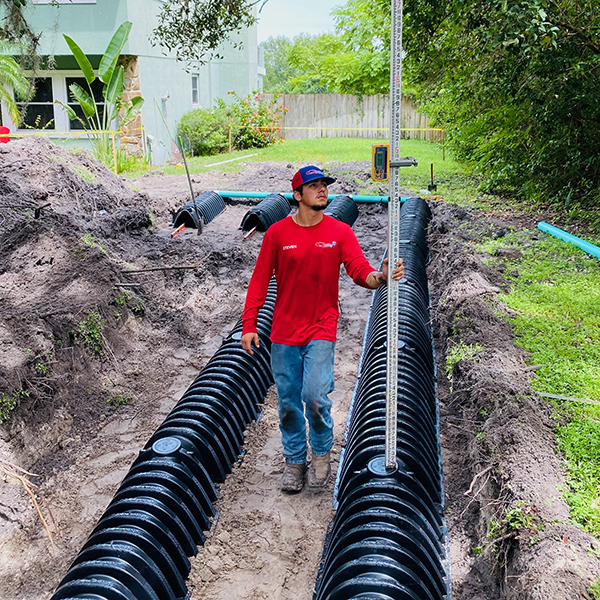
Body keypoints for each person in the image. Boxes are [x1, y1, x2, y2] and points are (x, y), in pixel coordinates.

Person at [241, 165, 404, 493]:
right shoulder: (277, 234)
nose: (322, 191)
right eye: (313, 186)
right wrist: (250, 324)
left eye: (324, 186)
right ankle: (294, 461)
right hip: (284, 331)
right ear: (297, 195)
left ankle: (320, 451)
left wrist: (381, 276)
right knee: (288, 403)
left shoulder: (339, 232)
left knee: (315, 396)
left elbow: (360, 272)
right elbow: (259, 282)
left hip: (321, 327)